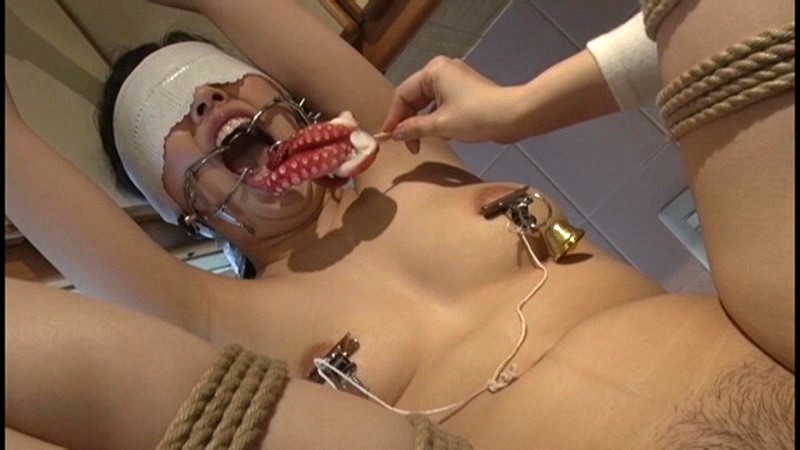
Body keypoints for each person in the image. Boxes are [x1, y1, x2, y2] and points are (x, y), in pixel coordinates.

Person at [5, 0, 794, 449]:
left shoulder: (404, 163)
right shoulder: (212, 316)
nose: (208, 100)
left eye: (219, 83)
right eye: (167, 121)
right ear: (179, 209)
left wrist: (519, 108)